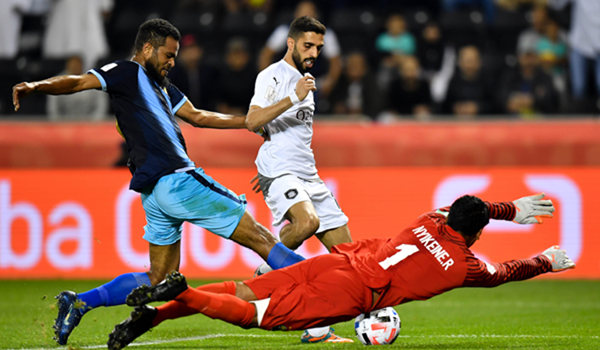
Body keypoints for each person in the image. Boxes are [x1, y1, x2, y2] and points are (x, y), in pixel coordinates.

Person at [12, 18, 306, 346]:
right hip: (177, 178)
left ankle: (80, 302)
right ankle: (325, 285)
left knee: (159, 277)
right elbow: (79, 83)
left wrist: (247, 122)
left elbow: (198, 116)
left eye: (175, 56)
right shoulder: (125, 71)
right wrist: (37, 86)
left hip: (155, 192)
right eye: (168, 55)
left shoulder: (162, 85)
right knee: (261, 237)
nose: (172, 62)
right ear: (147, 48)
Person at [107, 193, 574, 350]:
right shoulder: (462, 265)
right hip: (351, 294)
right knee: (252, 316)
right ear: (474, 234)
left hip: (335, 261)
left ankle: (156, 314)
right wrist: (545, 262)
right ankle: (183, 293)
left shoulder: (430, 218)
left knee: (246, 288)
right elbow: (503, 271)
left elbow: (464, 208)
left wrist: (508, 209)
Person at [246, 15, 354, 343]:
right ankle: (267, 270)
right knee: (306, 223)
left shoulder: (306, 81)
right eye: (308, 45)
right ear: (290, 43)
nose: (314, 53)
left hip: (308, 174)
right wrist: (271, 171)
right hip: (281, 172)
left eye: (319, 47)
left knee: (349, 257)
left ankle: (318, 330)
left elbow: (276, 131)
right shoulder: (272, 76)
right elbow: (252, 121)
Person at [258, 1, 341, 98]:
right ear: (296, 14)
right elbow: (265, 55)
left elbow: (335, 62)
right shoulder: (283, 31)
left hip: (314, 83)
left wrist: (329, 82)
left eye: (310, 12)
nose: (306, 15)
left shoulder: (326, 34)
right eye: (303, 11)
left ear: (316, 15)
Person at [498, 46, 558, 117]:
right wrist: (511, 101)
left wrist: (533, 101)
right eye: (526, 57)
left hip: (539, 120)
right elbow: (501, 95)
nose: (529, 61)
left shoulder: (545, 77)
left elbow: (550, 99)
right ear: (520, 58)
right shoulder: (511, 75)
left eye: (532, 57)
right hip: (513, 120)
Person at [47, 55, 109, 121]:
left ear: (82, 65)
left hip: (90, 123)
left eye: (77, 64)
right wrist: (58, 125)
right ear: (67, 66)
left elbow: (101, 106)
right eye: (72, 65)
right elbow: (53, 109)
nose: (75, 67)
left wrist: (94, 123)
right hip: (64, 124)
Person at [442, 45, 495, 117]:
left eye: (472, 61)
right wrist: (456, 108)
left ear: (479, 62)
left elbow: (495, 105)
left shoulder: (488, 81)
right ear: (459, 62)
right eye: (467, 61)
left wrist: (478, 108)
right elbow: (445, 106)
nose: (469, 65)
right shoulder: (454, 82)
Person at [329, 52, 382, 120]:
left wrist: (361, 110)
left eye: (357, 65)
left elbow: (376, 105)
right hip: (343, 119)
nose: (354, 69)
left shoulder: (371, 83)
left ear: (364, 68)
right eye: (351, 65)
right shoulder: (340, 82)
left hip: (366, 119)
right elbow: (332, 103)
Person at [215, 37, 257, 116]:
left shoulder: (255, 76)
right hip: (224, 117)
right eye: (234, 54)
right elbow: (216, 101)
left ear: (246, 56)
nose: (237, 58)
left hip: (250, 117)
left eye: (240, 54)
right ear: (227, 57)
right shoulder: (219, 75)